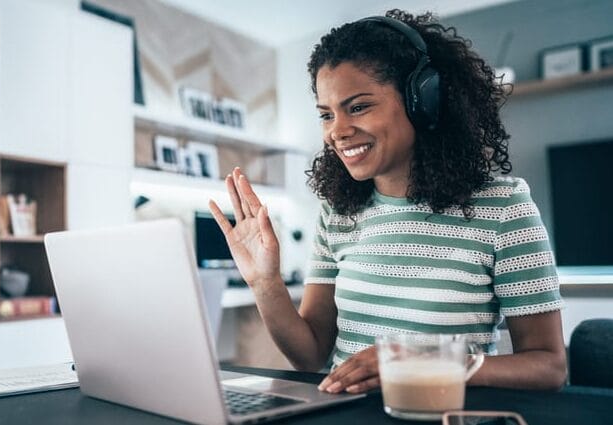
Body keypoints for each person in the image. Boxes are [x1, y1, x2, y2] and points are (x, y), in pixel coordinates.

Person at [208, 9, 567, 393]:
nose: (338, 132)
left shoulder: (503, 207)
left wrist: (425, 365)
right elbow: (310, 355)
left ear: (422, 101)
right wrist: (265, 284)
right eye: (326, 115)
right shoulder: (338, 214)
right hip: (341, 414)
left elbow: (549, 366)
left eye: (358, 107)